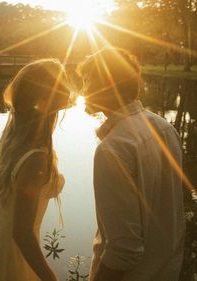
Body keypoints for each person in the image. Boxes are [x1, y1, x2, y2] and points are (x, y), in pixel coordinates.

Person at [77, 48, 185, 281]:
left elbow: (123, 251)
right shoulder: (165, 129)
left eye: (86, 80)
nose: (81, 89)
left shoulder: (113, 149)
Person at [0, 59, 70, 281]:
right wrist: (51, 278)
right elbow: (22, 233)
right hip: (5, 249)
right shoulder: (37, 158)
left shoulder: (17, 136)